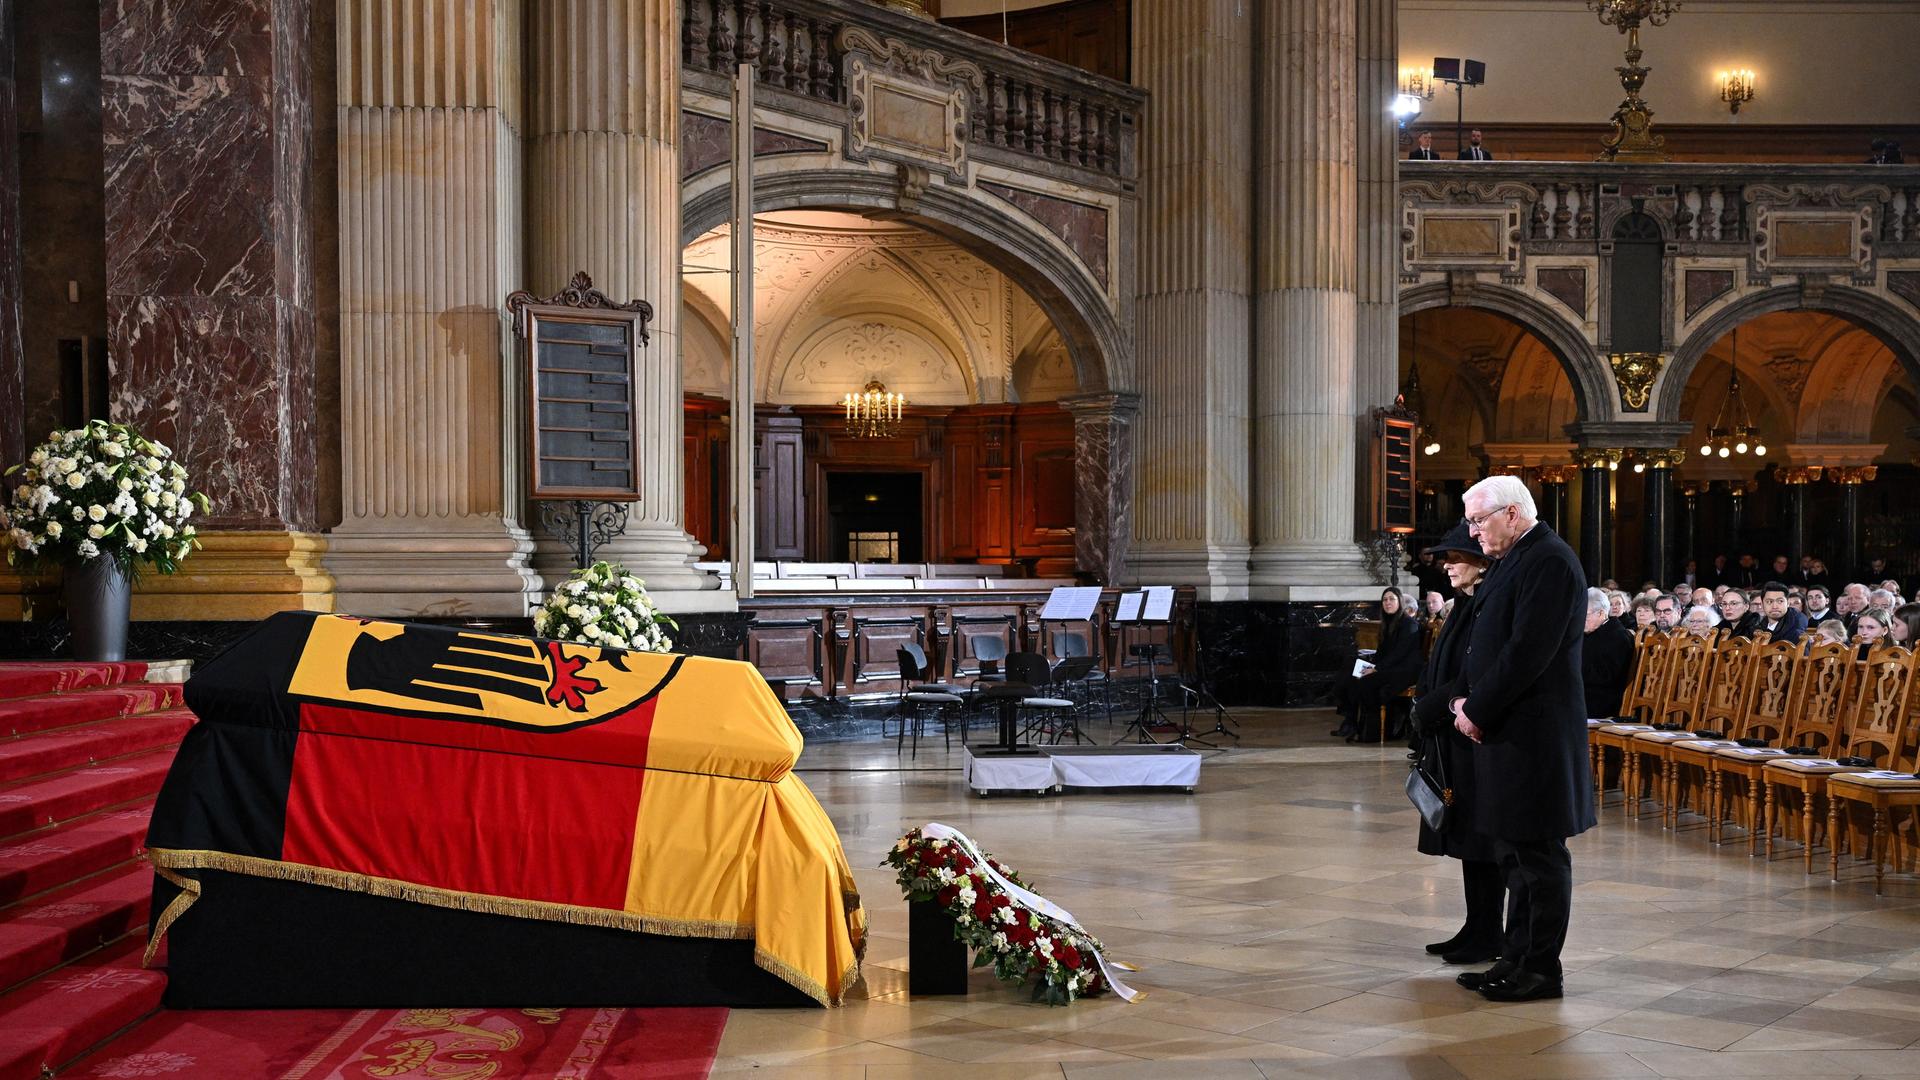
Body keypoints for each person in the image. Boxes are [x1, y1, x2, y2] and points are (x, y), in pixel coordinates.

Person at [1448, 475, 1593, 1003]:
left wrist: (1477, 707)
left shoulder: (1550, 560)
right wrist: (1463, 702)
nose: (1473, 531)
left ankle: (1540, 970)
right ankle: (1513, 958)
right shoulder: (1519, 559)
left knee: (1538, 858)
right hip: (1506, 731)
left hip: (1534, 736)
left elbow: (1528, 653)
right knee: (1512, 856)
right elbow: (1485, 647)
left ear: (1512, 513)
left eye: (1479, 520)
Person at [1412, 524, 1504, 966]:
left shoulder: (1485, 605)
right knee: (1465, 838)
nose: (1447, 566)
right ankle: (1476, 926)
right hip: (1448, 730)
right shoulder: (1466, 603)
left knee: (1480, 839)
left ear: (1480, 564)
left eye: (1456, 559)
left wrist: (1433, 704)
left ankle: (1488, 933)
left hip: (1468, 733)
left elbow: (1473, 672)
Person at [1332, 588, 1423, 742]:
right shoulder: (1387, 623)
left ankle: (1370, 732)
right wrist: (1369, 666)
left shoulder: (1409, 624)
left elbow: (1399, 654)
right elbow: (1382, 652)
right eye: (1385, 600)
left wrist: (1375, 668)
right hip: (1390, 666)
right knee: (1352, 673)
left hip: (1405, 670)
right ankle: (1352, 721)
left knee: (1366, 681)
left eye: (1391, 599)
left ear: (1399, 602)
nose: (1387, 602)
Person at [1583, 587, 1635, 719]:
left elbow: (1606, 676)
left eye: (1585, 615)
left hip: (1602, 700)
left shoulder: (1618, 637)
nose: (1581, 620)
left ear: (1601, 613)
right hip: (1584, 693)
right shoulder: (1589, 633)